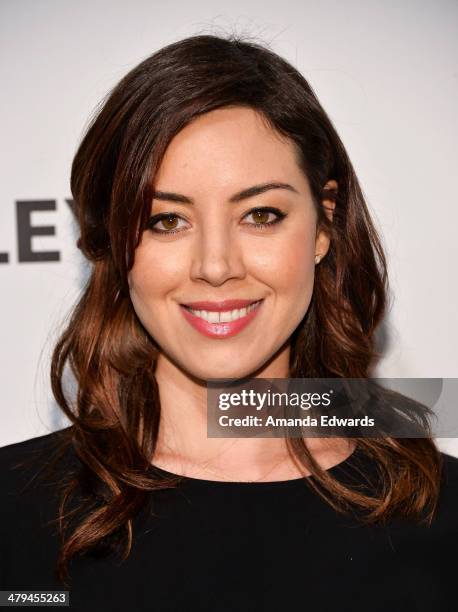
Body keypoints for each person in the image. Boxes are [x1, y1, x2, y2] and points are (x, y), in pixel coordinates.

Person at [1, 33, 457, 611]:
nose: (216, 267)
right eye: (167, 220)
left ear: (323, 225)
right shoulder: (11, 514)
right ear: (116, 242)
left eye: (260, 215)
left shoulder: (442, 519)